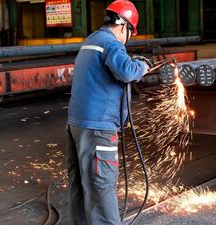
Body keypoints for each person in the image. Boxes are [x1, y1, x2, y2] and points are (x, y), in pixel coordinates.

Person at [65, 0, 151, 224]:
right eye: (129, 32)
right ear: (124, 27)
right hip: (98, 128)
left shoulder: (92, 40)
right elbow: (127, 71)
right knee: (102, 185)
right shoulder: (111, 43)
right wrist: (143, 65)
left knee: (83, 184)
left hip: (77, 124)